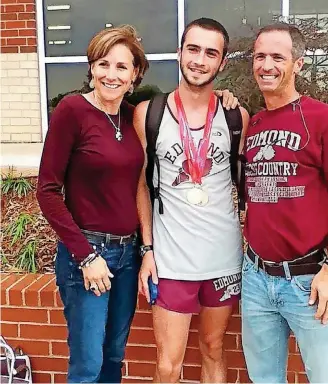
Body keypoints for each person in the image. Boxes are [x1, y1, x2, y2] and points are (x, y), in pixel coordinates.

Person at [37, 24, 238, 383]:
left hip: (127, 255)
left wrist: (142, 248)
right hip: (89, 255)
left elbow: (139, 183)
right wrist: (85, 256)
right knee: (87, 364)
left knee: (114, 356)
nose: (111, 75)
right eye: (103, 64)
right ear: (92, 68)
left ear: (135, 75)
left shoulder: (133, 115)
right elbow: (47, 191)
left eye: (121, 67)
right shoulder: (73, 110)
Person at [241, 23, 328, 383]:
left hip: (308, 279)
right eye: (260, 56)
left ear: (298, 64)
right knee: (263, 379)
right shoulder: (255, 124)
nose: (267, 65)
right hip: (256, 277)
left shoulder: (325, 119)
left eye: (278, 57)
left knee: (325, 377)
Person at [134, 18, 249, 383]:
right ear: (179, 52)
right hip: (171, 260)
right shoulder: (148, 114)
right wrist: (147, 249)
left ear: (222, 63)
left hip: (222, 258)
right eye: (193, 49)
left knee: (214, 350)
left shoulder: (236, 117)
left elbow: (244, 183)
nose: (200, 60)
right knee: (169, 362)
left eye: (210, 52)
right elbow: (140, 185)